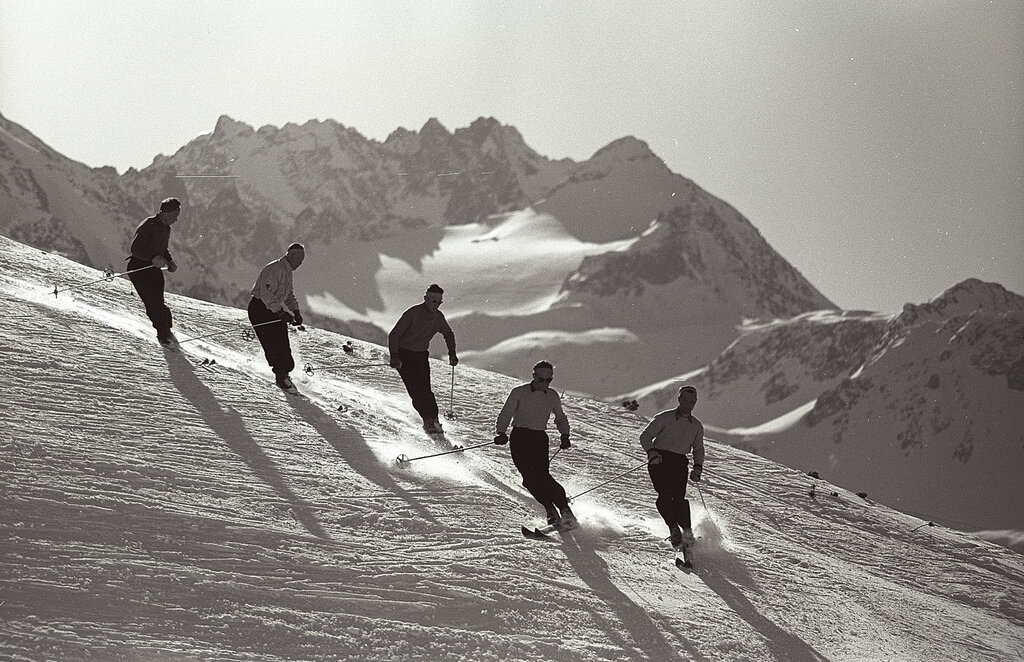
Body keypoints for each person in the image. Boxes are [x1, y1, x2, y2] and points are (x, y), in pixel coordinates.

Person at [494, 361, 577, 528]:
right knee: (529, 479)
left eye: (548, 380)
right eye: (541, 380)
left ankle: (565, 510)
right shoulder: (519, 392)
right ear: (534, 376)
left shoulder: (552, 396)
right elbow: (507, 412)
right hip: (519, 437)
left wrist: (565, 435)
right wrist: (501, 432)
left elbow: (560, 417)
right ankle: (550, 510)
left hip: (539, 438)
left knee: (542, 476)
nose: (544, 384)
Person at [639, 385, 705, 550]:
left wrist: (697, 467)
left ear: (695, 402)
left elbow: (698, 448)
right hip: (659, 460)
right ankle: (674, 529)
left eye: (691, 401)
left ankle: (687, 531)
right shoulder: (665, 418)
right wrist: (652, 452)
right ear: (679, 400)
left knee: (679, 498)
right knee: (665, 494)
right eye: (685, 400)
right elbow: (645, 436)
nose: (688, 404)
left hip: (679, 463)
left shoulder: (696, 426)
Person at [388, 284, 458, 434]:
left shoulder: (438, 317)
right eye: (434, 301)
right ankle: (427, 420)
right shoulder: (413, 313)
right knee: (415, 390)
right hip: (404, 355)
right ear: (426, 299)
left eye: (439, 302)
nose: (436, 305)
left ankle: (434, 420)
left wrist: (452, 352)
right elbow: (394, 335)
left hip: (420, 356)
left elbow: (448, 333)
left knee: (425, 389)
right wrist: (394, 356)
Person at [248, 243, 305, 392]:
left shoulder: (287, 271)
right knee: (273, 343)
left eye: (302, 259)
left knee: (282, 341)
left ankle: (285, 373)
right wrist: (280, 312)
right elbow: (267, 295)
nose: (300, 263)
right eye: (299, 259)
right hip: (260, 309)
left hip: (271, 310)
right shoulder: (275, 269)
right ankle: (281, 376)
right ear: (290, 255)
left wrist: (295, 311)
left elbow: (288, 294)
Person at [127, 197, 181, 346]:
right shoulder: (149, 224)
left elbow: (163, 249)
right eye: (174, 216)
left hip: (152, 268)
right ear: (166, 213)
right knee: (153, 300)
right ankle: (163, 334)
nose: (175, 220)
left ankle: (167, 330)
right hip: (138, 267)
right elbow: (135, 248)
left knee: (158, 300)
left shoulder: (166, 228)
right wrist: (152, 258)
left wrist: (169, 261)